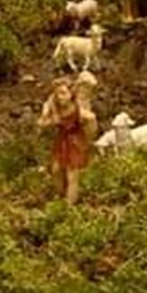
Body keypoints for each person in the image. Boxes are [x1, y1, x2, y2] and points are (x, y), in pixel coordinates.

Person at [38, 77, 98, 205]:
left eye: (63, 93)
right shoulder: (54, 107)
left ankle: (70, 204)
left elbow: (91, 117)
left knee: (72, 173)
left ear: (71, 94)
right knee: (56, 170)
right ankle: (59, 196)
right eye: (58, 94)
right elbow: (42, 123)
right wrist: (49, 119)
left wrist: (90, 136)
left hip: (75, 141)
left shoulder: (76, 108)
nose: (60, 97)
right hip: (62, 140)